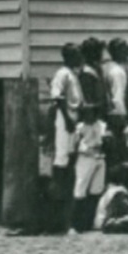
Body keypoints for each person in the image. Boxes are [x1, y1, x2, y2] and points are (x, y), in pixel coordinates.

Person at [49, 43, 84, 233]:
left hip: (74, 121)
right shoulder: (62, 73)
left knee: (71, 163)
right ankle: (58, 219)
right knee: (62, 163)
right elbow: (58, 98)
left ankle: (67, 218)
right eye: (76, 54)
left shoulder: (73, 74)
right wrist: (68, 120)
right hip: (65, 122)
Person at [72, 104, 108, 232]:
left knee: (96, 190)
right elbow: (75, 145)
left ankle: (89, 222)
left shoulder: (101, 126)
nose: (89, 115)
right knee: (80, 189)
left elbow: (104, 140)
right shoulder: (80, 127)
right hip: (85, 157)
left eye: (92, 112)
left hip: (99, 157)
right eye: (87, 113)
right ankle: (76, 224)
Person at [103, 38, 128, 118]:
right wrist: (122, 116)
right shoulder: (117, 71)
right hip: (117, 115)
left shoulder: (108, 67)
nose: (126, 53)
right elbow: (117, 98)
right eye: (123, 50)